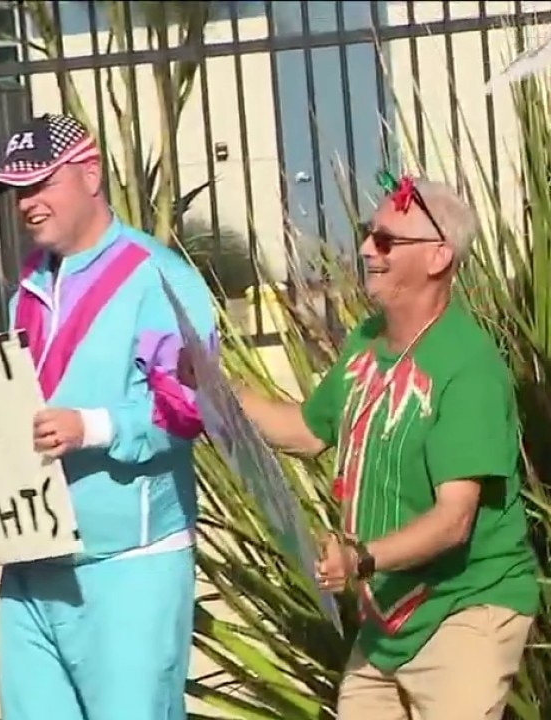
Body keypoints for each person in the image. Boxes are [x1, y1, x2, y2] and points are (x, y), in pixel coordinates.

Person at [230, 175, 537, 719]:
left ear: (439, 256)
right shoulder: (365, 341)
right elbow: (308, 431)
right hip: (387, 614)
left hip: (463, 609)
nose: (368, 249)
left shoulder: (468, 368)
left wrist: (359, 559)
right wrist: (218, 391)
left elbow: (453, 521)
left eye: (387, 240)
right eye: (368, 233)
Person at [0, 113, 217, 720]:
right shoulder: (27, 288)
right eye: (16, 190)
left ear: (91, 175)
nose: (27, 203)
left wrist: (92, 427)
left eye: (41, 183)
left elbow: (193, 407)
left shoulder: (159, 277)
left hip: (129, 562)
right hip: (32, 563)